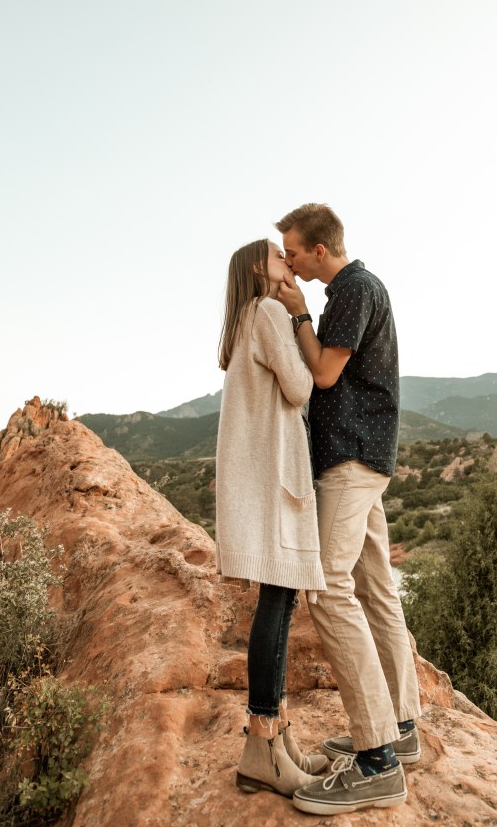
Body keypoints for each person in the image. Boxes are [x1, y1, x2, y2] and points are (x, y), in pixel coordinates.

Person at [274, 203, 422, 816]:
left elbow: (326, 374)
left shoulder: (353, 289)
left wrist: (297, 313)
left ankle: (377, 759)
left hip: (351, 457)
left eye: (292, 251)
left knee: (329, 588)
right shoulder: (360, 287)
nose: (287, 260)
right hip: (367, 456)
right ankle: (401, 727)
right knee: (375, 587)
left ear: (319, 250)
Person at [215, 238, 328, 798]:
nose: (287, 259)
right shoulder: (266, 312)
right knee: (276, 606)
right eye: (276, 255)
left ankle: (278, 736)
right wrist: (296, 314)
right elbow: (302, 386)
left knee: (278, 604)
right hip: (272, 489)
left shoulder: (245, 317)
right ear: (258, 270)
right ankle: (261, 742)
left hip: (260, 486)